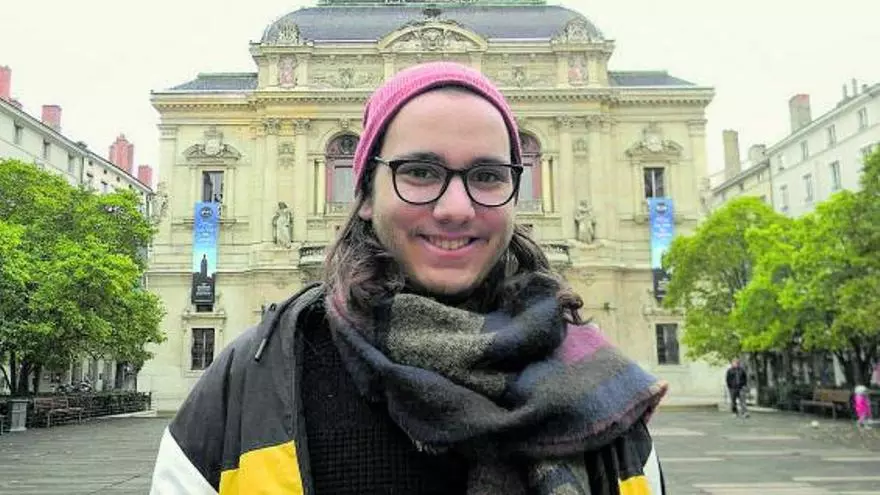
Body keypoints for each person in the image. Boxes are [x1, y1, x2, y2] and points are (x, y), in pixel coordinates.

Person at [150, 62, 668, 494]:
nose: (455, 208)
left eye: (488, 175)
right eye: (419, 171)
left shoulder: (609, 395)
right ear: (365, 196)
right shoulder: (253, 381)